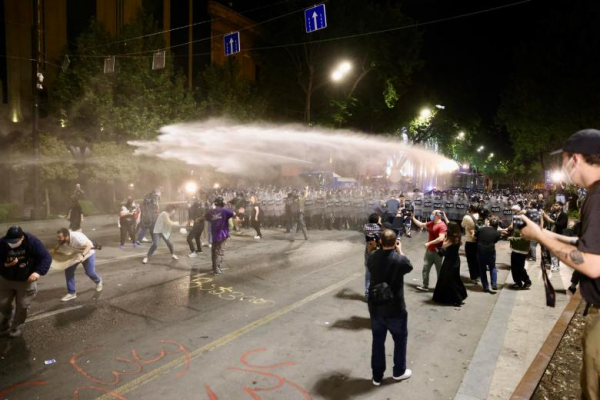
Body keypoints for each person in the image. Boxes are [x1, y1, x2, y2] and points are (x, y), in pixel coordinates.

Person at [520, 129, 600, 400]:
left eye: (564, 160)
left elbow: (591, 264)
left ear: (575, 159)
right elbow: (590, 242)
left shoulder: (598, 197)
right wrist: (549, 234)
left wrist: (540, 237)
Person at [367, 229, 413, 386]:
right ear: (395, 243)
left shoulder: (372, 257)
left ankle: (377, 376)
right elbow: (409, 266)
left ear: (380, 242)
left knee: (378, 341)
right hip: (395, 308)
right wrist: (400, 251)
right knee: (400, 339)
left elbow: (371, 263)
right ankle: (399, 371)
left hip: (376, 307)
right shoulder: (399, 260)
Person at [0, 226, 51, 338]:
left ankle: (17, 326)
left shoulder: (32, 242)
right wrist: (4, 265)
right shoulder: (2, 243)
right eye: (10, 241)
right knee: (2, 303)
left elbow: (46, 258)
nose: (12, 244)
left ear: (22, 238)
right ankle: (7, 317)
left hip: (26, 279)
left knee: (23, 305)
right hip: (6, 279)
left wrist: (37, 272)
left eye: (15, 241)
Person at [55, 228, 102, 302]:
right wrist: (54, 250)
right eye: (57, 237)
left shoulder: (77, 237)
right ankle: (72, 293)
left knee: (89, 272)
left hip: (88, 253)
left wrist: (82, 256)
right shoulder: (65, 238)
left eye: (60, 237)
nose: (58, 239)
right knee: (68, 270)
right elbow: (61, 242)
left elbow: (89, 246)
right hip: (76, 253)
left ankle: (98, 281)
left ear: (66, 236)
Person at [412, 210, 448, 292]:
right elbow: (421, 224)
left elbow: (441, 238)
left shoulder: (442, 226)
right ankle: (425, 286)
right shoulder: (431, 223)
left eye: (432, 214)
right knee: (426, 268)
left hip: (437, 252)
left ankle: (440, 287)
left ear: (437, 215)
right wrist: (412, 218)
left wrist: (429, 243)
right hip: (430, 251)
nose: (431, 215)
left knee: (439, 270)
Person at [433, 222, 467, 306]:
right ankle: (459, 295)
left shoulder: (452, 237)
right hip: (454, 260)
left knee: (448, 280)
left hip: (450, 262)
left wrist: (444, 240)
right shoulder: (457, 235)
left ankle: (457, 298)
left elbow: (444, 246)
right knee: (454, 279)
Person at [206, 197, 235, 275]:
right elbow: (233, 214)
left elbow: (205, 217)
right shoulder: (225, 211)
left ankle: (214, 267)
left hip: (214, 235)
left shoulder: (211, 211)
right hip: (222, 235)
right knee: (220, 252)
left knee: (214, 251)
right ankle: (217, 268)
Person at [508, 207, 532, 289]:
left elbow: (525, 239)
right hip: (515, 249)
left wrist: (512, 239)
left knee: (519, 268)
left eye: (521, 215)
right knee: (514, 268)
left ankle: (527, 281)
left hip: (522, 250)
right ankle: (518, 282)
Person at [476, 217, 502, 294]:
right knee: (492, 267)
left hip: (481, 251)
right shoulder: (497, 233)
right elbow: (495, 241)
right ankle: (494, 284)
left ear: (490, 223)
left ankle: (486, 287)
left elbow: (475, 236)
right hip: (491, 251)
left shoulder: (482, 229)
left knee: (482, 269)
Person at [541, 202, 568, 272]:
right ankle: (555, 265)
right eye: (554, 205)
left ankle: (556, 266)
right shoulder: (554, 215)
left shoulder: (564, 215)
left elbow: (560, 225)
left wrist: (550, 220)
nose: (554, 207)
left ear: (561, 207)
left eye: (556, 205)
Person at [363, 213, 382, 299]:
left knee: (368, 276)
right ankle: (376, 294)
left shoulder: (365, 228)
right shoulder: (379, 229)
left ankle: (367, 294)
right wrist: (380, 223)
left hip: (368, 255)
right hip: (377, 256)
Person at [462, 204, 481, 284]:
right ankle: (479, 275)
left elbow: (462, 225)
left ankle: (473, 277)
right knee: (478, 259)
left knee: (471, 260)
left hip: (470, 241)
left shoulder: (467, 217)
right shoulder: (481, 216)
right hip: (480, 241)